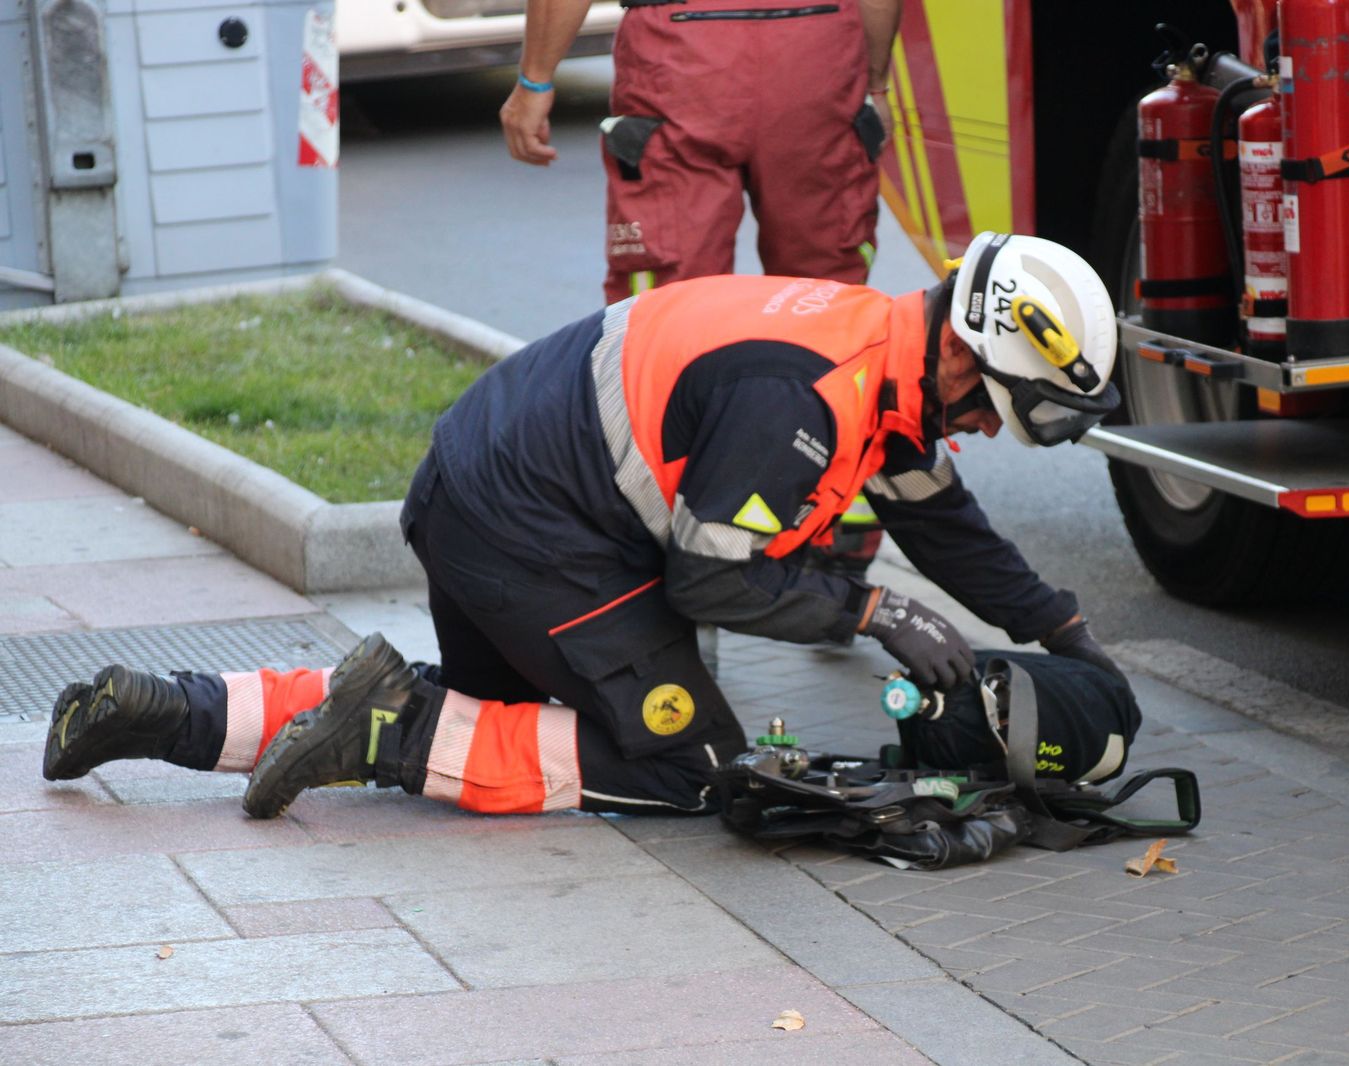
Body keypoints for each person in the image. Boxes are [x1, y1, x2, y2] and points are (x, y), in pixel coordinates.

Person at [42, 232, 1125, 823]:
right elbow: (714, 583)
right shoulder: (805, 397)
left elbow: (945, 522)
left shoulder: (876, 351)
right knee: (696, 768)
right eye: (991, 408)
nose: (980, 431)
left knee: (488, 715)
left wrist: (1065, 633)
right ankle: (385, 736)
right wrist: (875, 610)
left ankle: (159, 713)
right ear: (962, 355)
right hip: (530, 534)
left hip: (484, 503)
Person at [499, 0, 902, 304]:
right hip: (816, 50)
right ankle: (821, 409)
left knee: (672, 294)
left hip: (680, 52)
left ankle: (672, 408)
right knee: (823, 292)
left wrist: (535, 81)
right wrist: (876, 85)